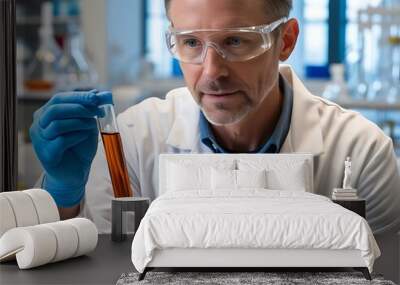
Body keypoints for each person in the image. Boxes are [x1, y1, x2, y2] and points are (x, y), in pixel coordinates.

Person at [30, 0, 400, 235]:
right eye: (191, 42)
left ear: (285, 41)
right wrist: (63, 196)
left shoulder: (361, 151)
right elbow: (86, 262)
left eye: (235, 41)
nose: (211, 72)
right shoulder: (133, 137)